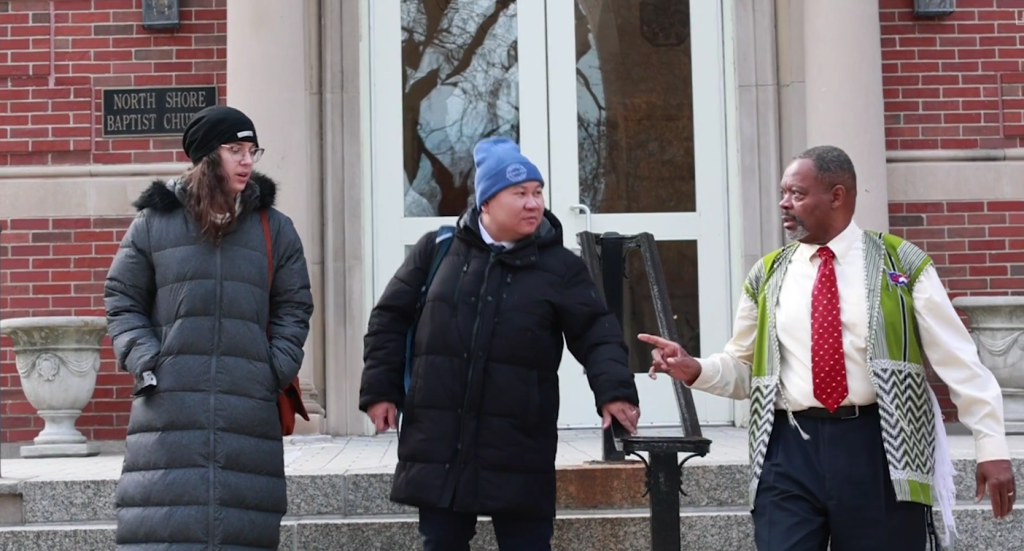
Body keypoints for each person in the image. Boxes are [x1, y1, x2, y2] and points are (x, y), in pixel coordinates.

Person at [640, 145, 1015, 551]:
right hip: (788, 450)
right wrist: (694, 368)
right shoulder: (767, 275)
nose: (784, 204)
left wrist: (990, 446)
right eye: (783, 193)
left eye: (797, 194)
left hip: (878, 448)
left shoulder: (903, 264)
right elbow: (744, 368)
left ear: (837, 196)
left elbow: (960, 363)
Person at [359, 136, 641, 551]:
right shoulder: (437, 251)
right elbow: (389, 319)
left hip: (519, 439)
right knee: (440, 542)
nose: (533, 203)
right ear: (486, 202)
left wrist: (613, 391)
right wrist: (381, 391)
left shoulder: (560, 267)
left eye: (537, 193)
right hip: (441, 438)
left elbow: (597, 332)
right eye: (520, 193)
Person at [104, 105, 314, 551]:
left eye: (251, 149)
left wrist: (271, 368)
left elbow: (294, 307)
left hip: (247, 409)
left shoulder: (275, 229)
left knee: (242, 534)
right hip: (170, 407)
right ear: (205, 157)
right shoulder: (154, 224)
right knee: (165, 533)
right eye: (234, 149)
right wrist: (147, 360)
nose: (246, 160)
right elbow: (122, 299)